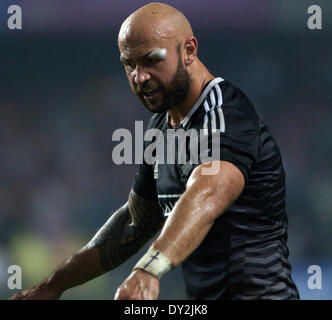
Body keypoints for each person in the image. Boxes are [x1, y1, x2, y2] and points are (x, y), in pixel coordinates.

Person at [10, 2, 299, 300]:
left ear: (189, 50)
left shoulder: (225, 112)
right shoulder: (161, 126)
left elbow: (208, 194)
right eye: (129, 64)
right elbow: (136, 222)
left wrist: (149, 269)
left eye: (151, 60)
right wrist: (51, 287)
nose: (140, 77)